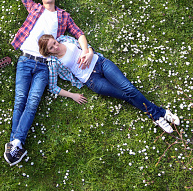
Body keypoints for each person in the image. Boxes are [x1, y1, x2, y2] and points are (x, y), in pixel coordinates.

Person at [5, 0, 87, 166]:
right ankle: (16, 143)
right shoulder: (34, 7)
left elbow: (77, 32)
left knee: (32, 101)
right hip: (25, 60)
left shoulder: (63, 15)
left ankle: (15, 143)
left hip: (45, 65)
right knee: (20, 99)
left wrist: (85, 50)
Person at [38, 34, 180, 133]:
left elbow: (86, 44)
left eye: (54, 42)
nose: (56, 47)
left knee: (129, 89)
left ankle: (157, 115)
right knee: (126, 95)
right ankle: (161, 113)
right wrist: (72, 95)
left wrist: (90, 53)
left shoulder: (65, 39)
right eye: (51, 48)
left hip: (100, 63)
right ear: (47, 52)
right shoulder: (53, 62)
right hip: (92, 80)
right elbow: (52, 87)